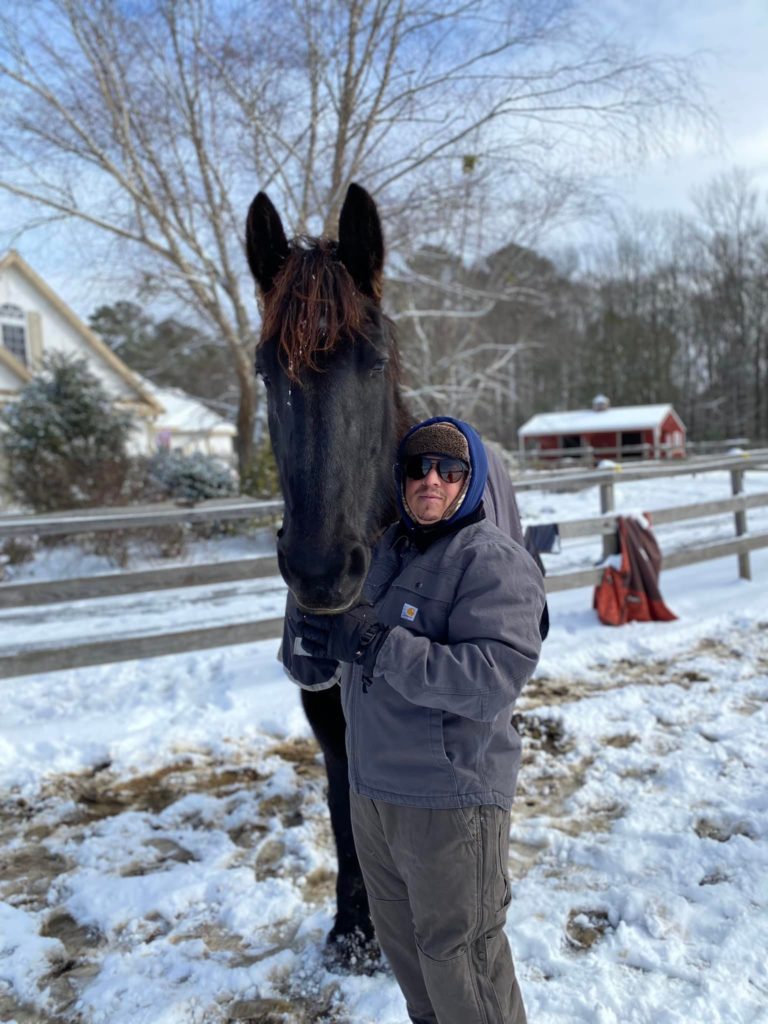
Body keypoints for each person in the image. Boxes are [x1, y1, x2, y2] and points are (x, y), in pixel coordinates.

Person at [295, 417, 546, 1024]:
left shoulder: (493, 561)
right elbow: (366, 658)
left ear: (471, 480)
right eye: (417, 468)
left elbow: (489, 679)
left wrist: (376, 644)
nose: (430, 479)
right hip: (376, 798)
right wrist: (332, 643)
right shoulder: (387, 556)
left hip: (449, 801)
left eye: (449, 469)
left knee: (465, 973)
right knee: (416, 976)